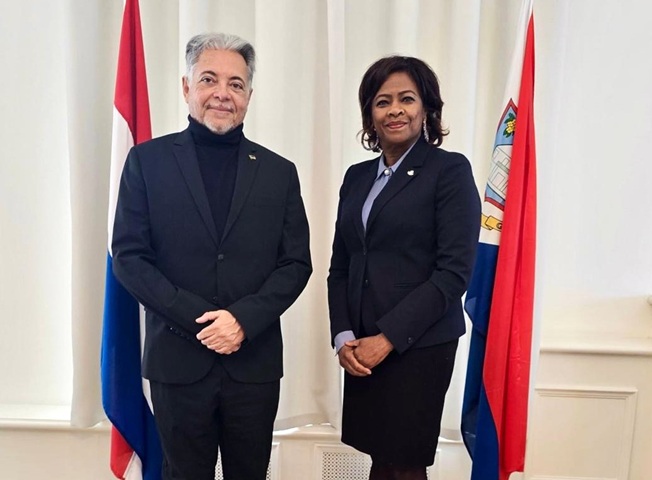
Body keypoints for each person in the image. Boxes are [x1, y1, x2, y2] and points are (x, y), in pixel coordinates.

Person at [111, 33, 312, 480]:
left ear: (249, 96)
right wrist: (200, 319)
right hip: (177, 363)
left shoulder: (279, 172)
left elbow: (296, 263)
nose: (223, 93)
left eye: (236, 84)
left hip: (253, 364)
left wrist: (242, 320)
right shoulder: (147, 162)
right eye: (209, 79)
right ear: (187, 87)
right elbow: (129, 257)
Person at [327, 56, 481, 480]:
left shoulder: (449, 171)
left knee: (404, 463)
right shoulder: (356, 177)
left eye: (407, 99)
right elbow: (341, 266)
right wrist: (343, 336)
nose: (395, 110)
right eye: (382, 101)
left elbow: (453, 273)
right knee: (382, 458)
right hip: (361, 345)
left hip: (419, 345)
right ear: (369, 115)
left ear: (426, 108)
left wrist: (388, 339)